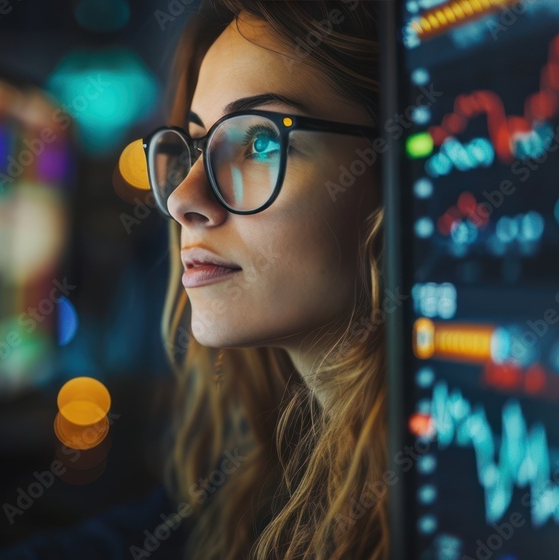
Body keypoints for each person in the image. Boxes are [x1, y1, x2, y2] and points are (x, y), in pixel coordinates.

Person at [150, 1, 387, 559]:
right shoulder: (267, 471)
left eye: (260, 142)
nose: (184, 199)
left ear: (389, 174)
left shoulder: (443, 513)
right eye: (197, 145)